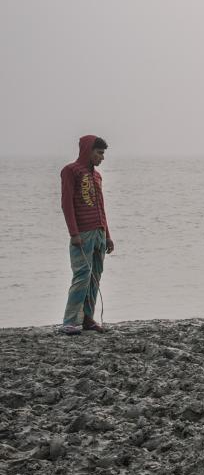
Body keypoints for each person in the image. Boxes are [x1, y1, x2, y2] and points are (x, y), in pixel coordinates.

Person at [59, 135, 114, 335]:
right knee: (82, 275)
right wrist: (74, 233)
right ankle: (70, 321)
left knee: (95, 277)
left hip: (99, 232)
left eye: (103, 154)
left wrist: (107, 235)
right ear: (88, 151)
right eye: (99, 153)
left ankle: (88, 318)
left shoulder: (97, 176)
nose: (102, 158)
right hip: (83, 233)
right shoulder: (70, 171)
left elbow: (101, 207)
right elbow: (67, 204)